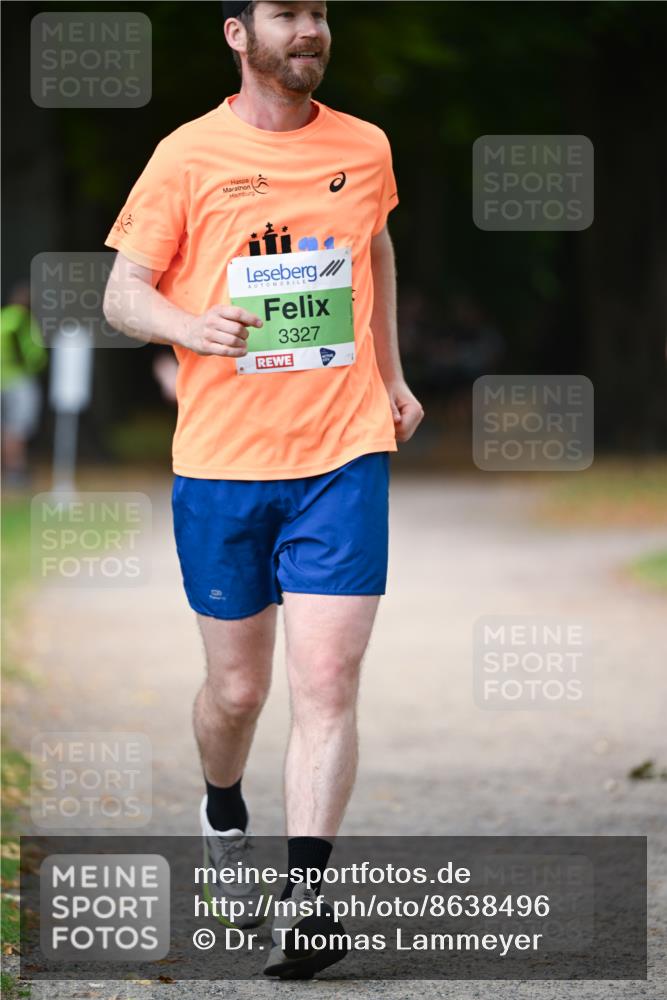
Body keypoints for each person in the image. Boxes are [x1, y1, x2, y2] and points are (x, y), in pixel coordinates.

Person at [103, 0, 423, 978]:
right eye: (287, 13)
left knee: (326, 684)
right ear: (239, 35)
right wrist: (185, 325)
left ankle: (311, 904)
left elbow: (372, 248)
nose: (310, 30)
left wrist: (393, 376)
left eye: (320, 13)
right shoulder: (186, 153)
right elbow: (122, 292)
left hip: (342, 455)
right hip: (221, 466)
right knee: (237, 691)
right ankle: (223, 803)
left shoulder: (364, 146)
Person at [1, 282, 47, 487]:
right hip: (19, 381)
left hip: (3, 379)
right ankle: (15, 471)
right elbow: (32, 353)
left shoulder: (4, 318)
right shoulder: (21, 320)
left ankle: (9, 470)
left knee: (6, 427)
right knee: (17, 427)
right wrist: (38, 363)